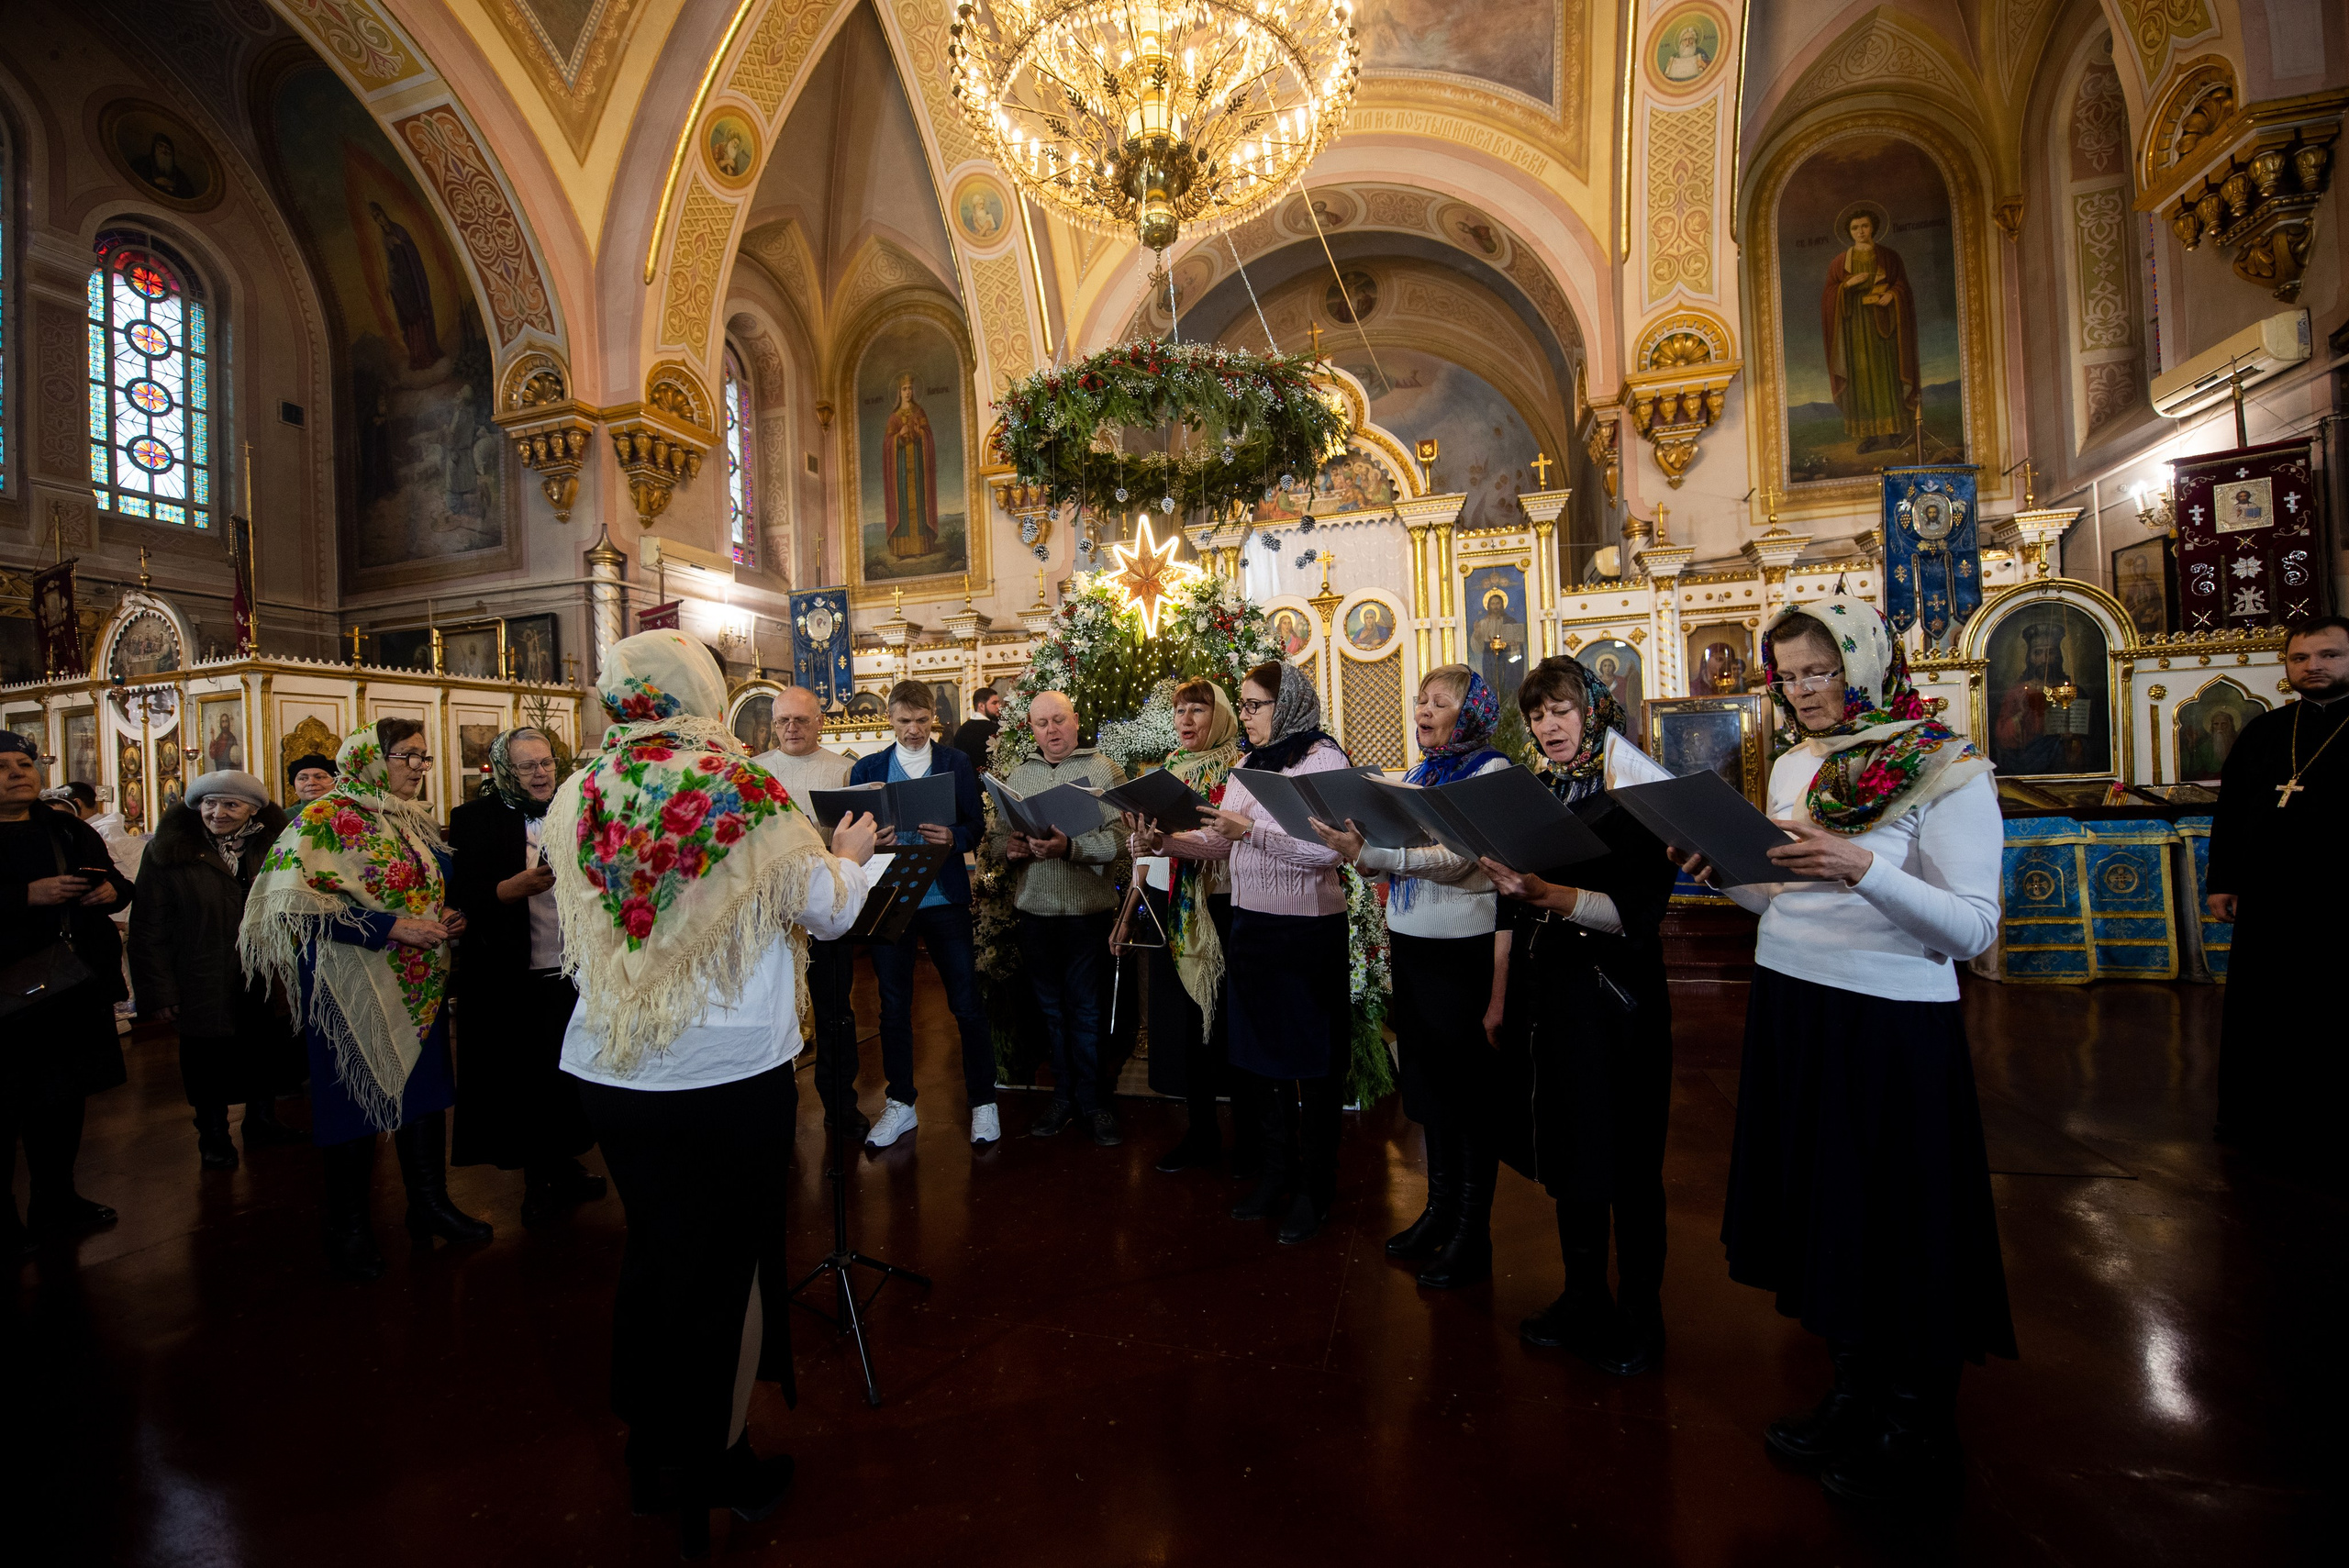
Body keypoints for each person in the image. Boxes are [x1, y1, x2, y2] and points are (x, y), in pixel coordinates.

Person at [547, 630, 878, 1556]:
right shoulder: (741, 786)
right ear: (701, 691)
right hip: (726, 1067)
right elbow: (825, 907)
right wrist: (845, 849)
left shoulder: (581, 789)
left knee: (656, 1252)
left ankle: (652, 1454)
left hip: (612, 1065)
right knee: (729, 1269)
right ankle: (717, 1460)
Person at [1684, 595, 2010, 1514]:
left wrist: (1864, 865)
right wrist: (1732, 874)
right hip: (1794, 1004)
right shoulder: (1795, 762)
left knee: (1901, 1220)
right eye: (1787, 676)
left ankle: (1917, 1424)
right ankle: (1853, 1389)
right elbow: (1789, 902)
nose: (1804, 692)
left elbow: (1974, 928)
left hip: (1891, 1023)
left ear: (1866, 661)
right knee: (1826, 1210)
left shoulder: (1943, 764)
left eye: (1820, 671)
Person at [1474, 658, 1675, 1371]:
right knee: (1569, 1147)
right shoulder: (1539, 790)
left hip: (1617, 1003)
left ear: (1592, 708)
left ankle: (1640, 1315)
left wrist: (1549, 893)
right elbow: (1508, 898)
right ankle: (1583, 1294)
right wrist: (1500, 991)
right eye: (1536, 716)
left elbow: (1639, 914)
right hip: (1550, 995)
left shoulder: (1638, 791)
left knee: (1627, 1160)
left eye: (1561, 710)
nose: (1549, 726)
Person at [239, 719, 490, 1282]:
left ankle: (428, 1205)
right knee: (353, 1103)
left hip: (418, 983)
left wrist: (453, 915)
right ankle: (348, 1227)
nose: (420, 768)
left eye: (425, 758)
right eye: (409, 756)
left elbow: (442, 888)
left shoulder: (412, 821)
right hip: (347, 981)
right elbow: (294, 903)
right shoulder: (327, 817)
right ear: (371, 758)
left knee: (423, 1099)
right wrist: (388, 929)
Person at [1307, 666, 1512, 1287]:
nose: (1423, 710)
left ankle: (1472, 1235)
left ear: (1470, 711)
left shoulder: (1490, 773)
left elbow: (1466, 863)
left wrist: (1378, 855)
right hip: (1416, 946)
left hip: (1463, 953)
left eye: (1439, 702)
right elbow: (1394, 862)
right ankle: (1439, 1212)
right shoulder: (1420, 774)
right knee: (1429, 1093)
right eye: (1420, 700)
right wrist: (1364, 852)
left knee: (1467, 1097)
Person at [1155, 662, 1351, 1244]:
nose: (1246, 715)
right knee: (1260, 1061)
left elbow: (1325, 854)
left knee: (1312, 1068)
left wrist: (1252, 834)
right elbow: (1219, 838)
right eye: (1240, 706)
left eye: (1254, 705)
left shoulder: (1323, 760)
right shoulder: (1247, 763)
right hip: (1252, 925)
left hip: (1306, 932)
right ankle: (1274, 1174)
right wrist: (1163, 839)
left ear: (1285, 703)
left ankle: (1315, 1190)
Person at [2204, 615, 2349, 1166]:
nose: (2313, 667)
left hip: (2339, 902)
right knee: (2266, 1010)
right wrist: (2222, 881)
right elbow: (2233, 810)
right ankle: (2257, 1117)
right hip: (2269, 900)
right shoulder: (2265, 730)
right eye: (2300, 658)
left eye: (2329, 656)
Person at [446, 728, 605, 1227]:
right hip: (509, 972)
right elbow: (463, 897)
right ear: (503, 770)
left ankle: (566, 1162)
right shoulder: (472, 820)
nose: (540, 773)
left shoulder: (575, 811)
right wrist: (507, 889)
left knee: (569, 1073)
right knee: (526, 1077)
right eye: (527, 766)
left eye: (546, 763)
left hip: (573, 967)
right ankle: (537, 1181)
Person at [0, 732, 135, 1254]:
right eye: (4, 766)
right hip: (7, 998)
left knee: (61, 1099)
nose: (18, 772)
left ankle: (55, 1200)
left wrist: (110, 892)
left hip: (69, 988)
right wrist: (23, 896)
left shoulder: (65, 827)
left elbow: (117, 882)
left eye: (24, 763)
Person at [128, 771, 304, 1170]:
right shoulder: (170, 850)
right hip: (201, 972)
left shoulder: (279, 845)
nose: (217, 812)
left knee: (264, 1049)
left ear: (254, 810)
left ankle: (261, 1121)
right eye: (209, 803)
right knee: (206, 1059)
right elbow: (147, 927)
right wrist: (160, 992)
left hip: (265, 970)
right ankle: (213, 1135)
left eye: (230, 804)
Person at [851, 680, 997, 1149]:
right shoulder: (869, 768)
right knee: (892, 1008)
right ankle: (901, 1104)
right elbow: (854, 832)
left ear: (934, 717)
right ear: (889, 720)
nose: (913, 731)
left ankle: (982, 1102)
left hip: (943, 898)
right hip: (891, 896)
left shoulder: (953, 762)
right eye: (903, 721)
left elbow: (976, 826)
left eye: (921, 721)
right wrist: (874, 841)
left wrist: (953, 837)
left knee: (966, 1003)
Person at [1124, 680, 1254, 1175]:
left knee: (1230, 1028)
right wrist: (1142, 843)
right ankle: (1200, 1133)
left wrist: (1174, 839)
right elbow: (1154, 847)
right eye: (1179, 711)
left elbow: (1233, 838)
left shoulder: (1240, 769)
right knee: (1188, 1028)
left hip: (1226, 906)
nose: (1186, 720)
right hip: (1175, 906)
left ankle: (1249, 1142)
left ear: (1219, 715)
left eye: (1197, 709)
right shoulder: (1166, 774)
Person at [990, 691, 1128, 1144]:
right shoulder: (1020, 774)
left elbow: (1122, 844)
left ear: (1075, 721)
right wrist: (1009, 849)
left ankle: (1093, 1101)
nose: (1050, 730)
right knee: (1051, 1013)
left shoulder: (1102, 769)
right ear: (1030, 728)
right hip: (1036, 912)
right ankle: (1063, 1096)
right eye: (1040, 723)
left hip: (1087, 914)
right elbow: (995, 842)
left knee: (1087, 1013)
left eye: (1058, 720)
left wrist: (1070, 848)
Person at [751, 684, 864, 1140]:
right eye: (782, 721)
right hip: (770, 919)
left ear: (821, 721)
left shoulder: (844, 771)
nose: (791, 728)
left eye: (801, 720)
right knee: (772, 1010)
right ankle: (777, 1113)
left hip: (826, 907)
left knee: (835, 1011)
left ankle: (842, 1106)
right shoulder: (753, 773)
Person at [952, 684, 1005, 777]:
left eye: (998, 702)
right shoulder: (994, 730)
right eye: (994, 703)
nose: (999, 706)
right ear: (981, 706)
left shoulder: (961, 730)